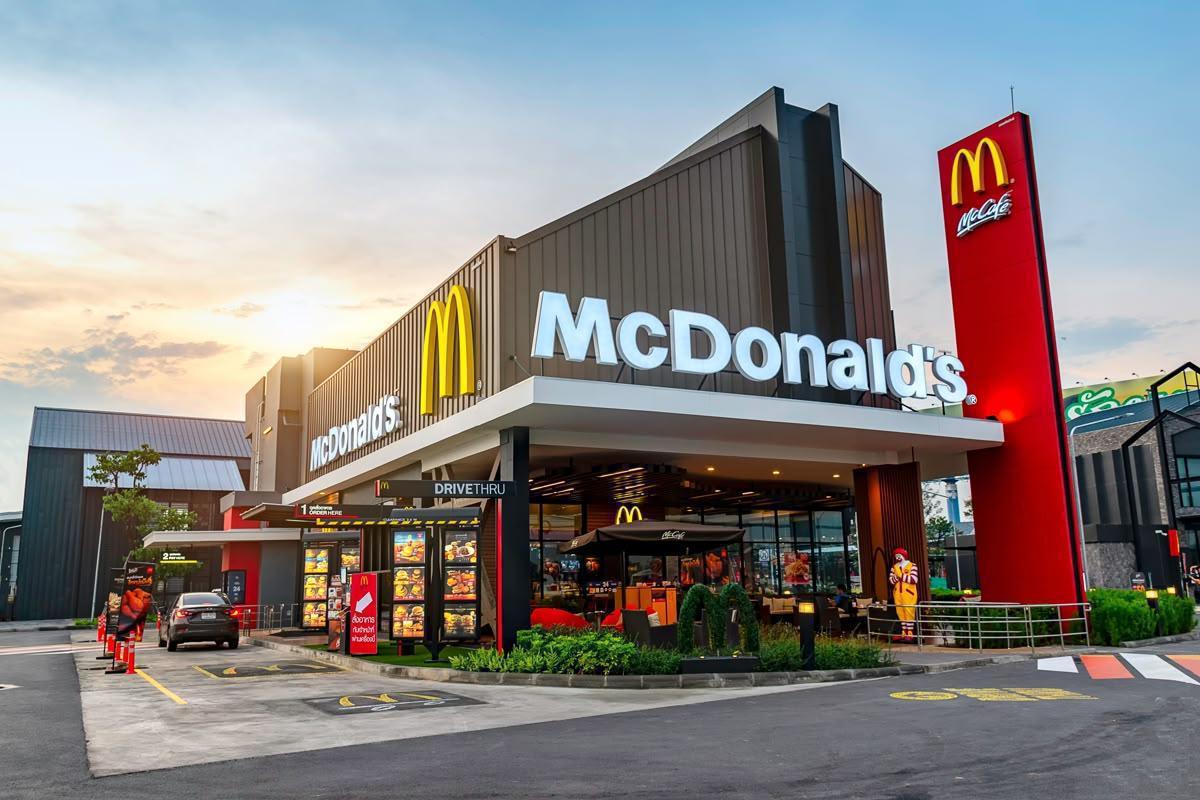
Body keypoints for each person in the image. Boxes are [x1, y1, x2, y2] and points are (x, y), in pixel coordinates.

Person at [889, 548, 919, 642]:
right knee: (900, 612)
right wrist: (898, 576)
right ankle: (904, 632)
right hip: (897, 593)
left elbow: (914, 580)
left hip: (909, 593)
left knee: (909, 611)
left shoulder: (912, 565)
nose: (897, 557)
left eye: (899, 555)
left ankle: (910, 633)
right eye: (896, 556)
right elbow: (891, 580)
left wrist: (900, 575)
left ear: (904, 556)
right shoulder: (894, 567)